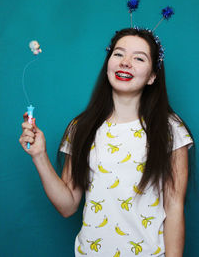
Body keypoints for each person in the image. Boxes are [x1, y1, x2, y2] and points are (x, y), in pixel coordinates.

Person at [19, 28, 194, 257]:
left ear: (152, 76)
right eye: (118, 54)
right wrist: (39, 156)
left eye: (139, 58)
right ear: (108, 63)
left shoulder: (171, 129)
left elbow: (174, 209)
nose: (126, 62)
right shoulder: (81, 127)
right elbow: (67, 205)